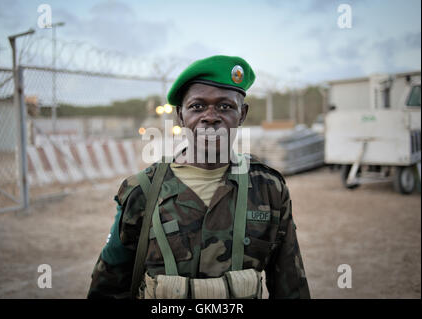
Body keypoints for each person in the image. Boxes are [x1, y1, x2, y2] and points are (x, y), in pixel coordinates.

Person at [87, 55, 310, 299]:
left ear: (242, 114)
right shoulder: (143, 190)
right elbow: (109, 286)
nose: (211, 116)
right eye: (197, 106)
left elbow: (290, 285)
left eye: (225, 106)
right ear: (180, 115)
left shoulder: (268, 188)